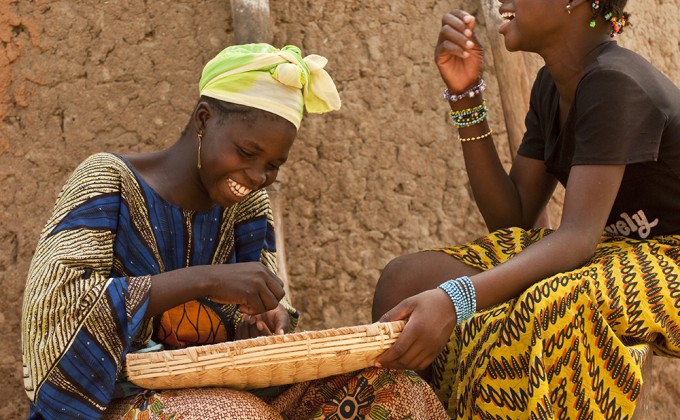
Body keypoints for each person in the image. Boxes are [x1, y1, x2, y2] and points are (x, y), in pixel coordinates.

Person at [22, 43, 448, 419]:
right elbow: (57, 312)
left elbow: (254, 315)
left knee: (394, 393)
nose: (258, 175)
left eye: (274, 165)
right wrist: (207, 279)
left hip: (241, 393)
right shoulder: (107, 181)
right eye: (247, 152)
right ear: (204, 119)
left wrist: (262, 323)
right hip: (112, 401)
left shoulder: (248, 207)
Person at [372, 0, 680, 418]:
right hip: (610, 253)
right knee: (407, 280)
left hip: (670, 263)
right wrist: (465, 98)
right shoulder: (552, 86)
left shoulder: (616, 82)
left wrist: (456, 301)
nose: (503, 2)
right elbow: (513, 216)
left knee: (546, 306)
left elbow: (575, 240)